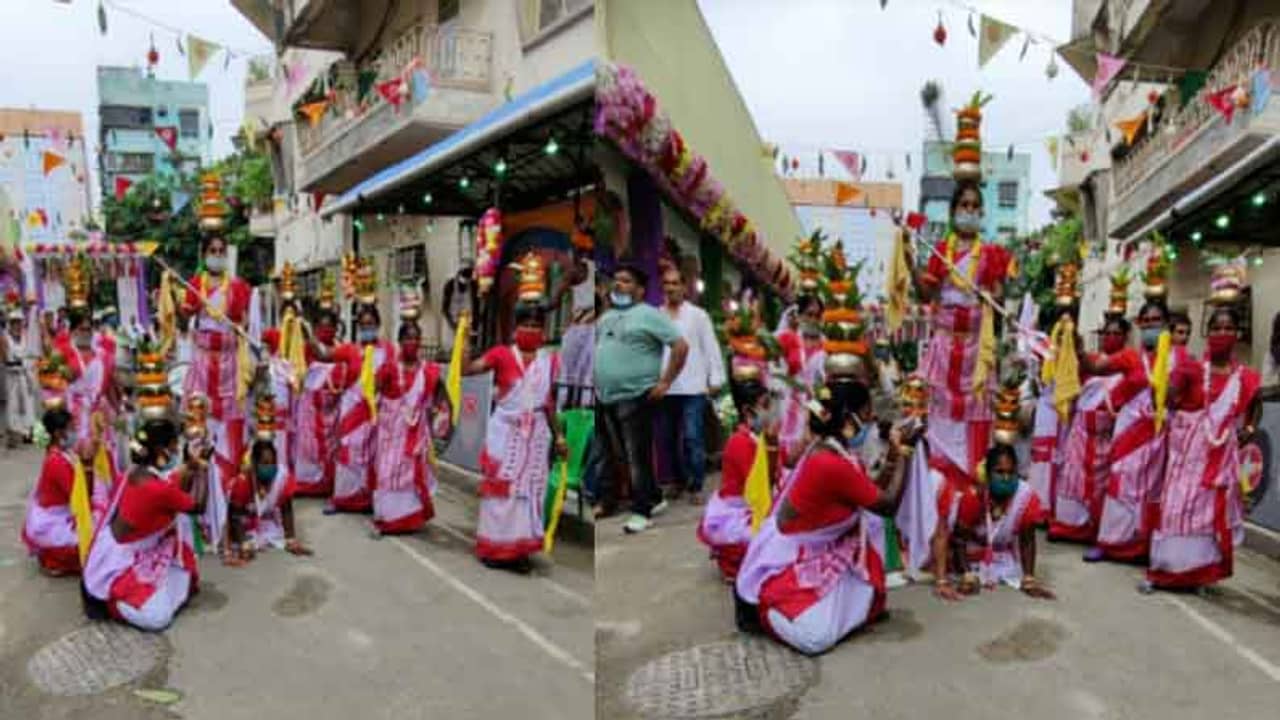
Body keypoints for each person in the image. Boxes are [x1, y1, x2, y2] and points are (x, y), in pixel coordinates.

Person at [734, 379, 917, 655]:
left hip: (822, 550)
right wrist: (905, 452)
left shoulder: (833, 450)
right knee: (815, 638)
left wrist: (892, 453)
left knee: (868, 598)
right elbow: (887, 504)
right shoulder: (828, 462)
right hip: (790, 558)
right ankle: (764, 610)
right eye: (867, 413)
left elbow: (870, 489)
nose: (872, 419)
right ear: (848, 419)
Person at [1146, 306, 1260, 592]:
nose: (1222, 333)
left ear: (1237, 333)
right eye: (1217, 328)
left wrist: (1247, 430)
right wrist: (1161, 382)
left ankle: (1198, 576)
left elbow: (1255, 405)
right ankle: (1165, 572)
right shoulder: (1192, 368)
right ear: (1207, 333)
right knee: (1177, 511)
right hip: (1186, 457)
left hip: (1219, 459)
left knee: (1207, 517)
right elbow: (1167, 401)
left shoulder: (1245, 377)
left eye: (1228, 328)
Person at [912, 180, 1013, 493]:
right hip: (944, 349)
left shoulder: (992, 254)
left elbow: (998, 295)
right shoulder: (941, 252)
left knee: (977, 419)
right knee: (937, 416)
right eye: (963, 205)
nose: (968, 211)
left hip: (975, 354)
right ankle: (937, 491)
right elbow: (926, 291)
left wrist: (988, 293)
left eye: (974, 206)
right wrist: (906, 256)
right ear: (953, 211)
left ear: (981, 212)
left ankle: (971, 495)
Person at [82, 417, 210, 631]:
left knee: (183, 572)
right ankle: (114, 601)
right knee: (158, 618)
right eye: (173, 445)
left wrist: (190, 466)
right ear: (161, 450)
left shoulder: (138, 472)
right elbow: (198, 506)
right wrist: (204, 470)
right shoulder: (156, 488)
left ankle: (146, 593)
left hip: (121, 549)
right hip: (121, 562)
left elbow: (173, 485)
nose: (177, 449)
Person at [464, 301, 565, 570]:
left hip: (536, 437)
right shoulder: (501, 354)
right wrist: (464, 338)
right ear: (515, 328)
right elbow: (467, 369)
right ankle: (493, 548)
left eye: (536, 326)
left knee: (528, 494)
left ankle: (518, 550)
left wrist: (559, 436)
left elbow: (548, 402)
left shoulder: (549, 361)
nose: (530, 330)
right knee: (501, 492)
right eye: (526, 324)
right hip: (505, 435)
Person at [594, 265, 689, 533]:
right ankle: (654, 496)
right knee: (618, 455)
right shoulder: (606, 317)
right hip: (605, 397)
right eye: (616, 280)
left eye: (626, 281)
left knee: (638, 457)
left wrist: (665, 382)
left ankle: (641, 512)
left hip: (636, 396)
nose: (618, 285)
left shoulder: (649, 315)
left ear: (640, 289)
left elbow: (680, 347)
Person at [180, 235, 252, 552]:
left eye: (222, 251)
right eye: (212, 251)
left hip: (229, 368)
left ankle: (228, 510)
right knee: (198, 434)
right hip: (201, 366)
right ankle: (198, 513)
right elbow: (183, 320)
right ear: (204, 254)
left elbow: (244, 325)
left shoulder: (238, 287)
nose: (218, 255)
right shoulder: (194, 283)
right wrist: (184, 300)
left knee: (230, 436)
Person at [1095, 301, 1174, 562]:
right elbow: (1099, 367)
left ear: (1165, 324)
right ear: (1140, 325)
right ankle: (1110, 545)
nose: (1152, 325)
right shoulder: (1130, 357)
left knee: (1150, 491)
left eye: (1157, 320)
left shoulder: (1176, 359)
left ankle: (1141, 548)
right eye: (1147, 321)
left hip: (1157, 435)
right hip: (1129, 432)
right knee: (1120, 484)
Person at [933, 444, 1054, 600]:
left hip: (1000, 554)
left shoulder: (1026, 497)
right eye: (999, 472)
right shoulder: (974, 497)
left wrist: (1029, 578)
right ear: (988, 475)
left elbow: (1027, 540)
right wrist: (966, 575)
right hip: (970, 551)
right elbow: (959, 540)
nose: (1006, 478)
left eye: (1011, 472)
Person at [1049, 314, 1128, 546]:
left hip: (1107, 435)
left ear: (1125, 338)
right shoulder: (1093, 361)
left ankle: (1093, 528)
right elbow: (1077, 361)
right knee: (1073, 478)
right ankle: (1068, 526)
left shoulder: (1128, 365)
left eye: (1117, 334)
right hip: (1081, 432)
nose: (1111, 337)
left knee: (1101, 485)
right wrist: (1071, 335)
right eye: (1108, 333)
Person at [373, 316, 450, 535]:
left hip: (415, 433)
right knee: (388, 474)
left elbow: (440, 397)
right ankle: (388, 518)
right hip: (390, 433)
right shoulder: (388, 368)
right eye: (407, 338)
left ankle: (409, 519)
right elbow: (372, 393)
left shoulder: (429, 370)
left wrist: (439, 418)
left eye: (416, 338)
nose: (412, 342)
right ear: (399, 341)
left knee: (410, 476)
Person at [697, 372, 775, 582]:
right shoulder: (741, 442)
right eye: (765, 405)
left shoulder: (756, 437)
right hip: (740, 509)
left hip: (751, 501)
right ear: (748, 411)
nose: (771, 411)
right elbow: (759, 486)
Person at [658, 267, 726, 504]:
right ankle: (677, 481)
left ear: (684, 288)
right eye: (667, 283)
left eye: (675, 283)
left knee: (692, 437)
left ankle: (696, 485)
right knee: (667, 438)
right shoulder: (657, 316)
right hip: (666, 388)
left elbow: (710, 347)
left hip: (694, 387)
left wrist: (715, 378)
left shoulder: (698, 315)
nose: (671, 288)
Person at [328, 301, 396, 514]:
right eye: (363, 325)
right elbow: (324, 353)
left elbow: (395, 376)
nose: (368, 329)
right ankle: (342, 499)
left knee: (372, 456)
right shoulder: (349, 350)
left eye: (371, 324)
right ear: (358, 327)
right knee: (348, 452)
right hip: (352, 409)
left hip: (375, 410)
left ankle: (369, 500)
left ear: (378, 324)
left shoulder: (389, 350)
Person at [21, 408, 100, 575]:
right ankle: (54, 560)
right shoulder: (57, 462)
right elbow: (80, 497)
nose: (75, 433)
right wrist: (88, 464)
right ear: (58, 433)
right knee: (98, 543)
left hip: (60, 513)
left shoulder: (63, 454)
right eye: (71, 429)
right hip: (55, 522)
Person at [226, 439, 311, 560]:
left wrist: (291, 539)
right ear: (254, 463)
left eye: (273, 463)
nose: (270, 467)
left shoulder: (282, 477)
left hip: (262, 517)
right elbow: (235, 515)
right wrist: (243, 544)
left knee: (272, 533)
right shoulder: (243, 481)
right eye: (265, 463)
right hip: (240, 517)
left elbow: (286, 510)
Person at [295, 306, 341, 497]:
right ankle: (308, 484)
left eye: (330, 326)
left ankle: (328, 483)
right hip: (311, 406)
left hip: (332, 405)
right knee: (309, 447)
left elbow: (333, 361)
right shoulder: (306, 348)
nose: (326, 330)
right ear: (315, 328)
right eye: (322, 327)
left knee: (331, 447)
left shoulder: (340, 347)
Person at [775, 295, 825, 464]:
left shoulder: (826, 345)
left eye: (817, 316)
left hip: (813, 406)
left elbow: (823, 384)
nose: (813, 319)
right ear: (799, 315)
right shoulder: (786, 339)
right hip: (787, 404)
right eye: (809, 314)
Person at [1, 306, 37, 446]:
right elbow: (4, 359)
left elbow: (31, 356)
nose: (17, 325)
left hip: (25, 375)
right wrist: (14, 363)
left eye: (19, 322)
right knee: (13, 405)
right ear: (10, 323)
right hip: (11, 376)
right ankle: (13, 435)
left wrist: (27, 365)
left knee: (28, 404)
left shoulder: (26, 337)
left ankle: (28, 433)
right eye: (14, 322)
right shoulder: (4, 338)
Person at [442, 261, 479, 348]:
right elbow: (445, 308)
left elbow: (476, 308)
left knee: (465, 348)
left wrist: (474, 325)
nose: (465, 282)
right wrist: (453, 324)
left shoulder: (473, 286)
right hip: (451, 325)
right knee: (452, 348)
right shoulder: (450, 285)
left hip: (467, 326)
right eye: (464, 276)